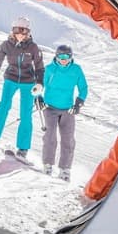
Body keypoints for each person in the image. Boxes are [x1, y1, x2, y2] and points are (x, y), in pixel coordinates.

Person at [0, 16, 45, 158]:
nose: (20, 34)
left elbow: (40, 67)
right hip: (10, 78)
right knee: (3, 106)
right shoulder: (6, 45)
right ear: (13, 30)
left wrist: (40, 83)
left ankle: (23, 149)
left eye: (24, 31)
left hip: (28, 82)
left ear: (28, 32)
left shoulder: (33, 48)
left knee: (25, 114)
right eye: (17, 30)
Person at [39, 44, 88, 181]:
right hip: (50, 108)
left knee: (68, 139)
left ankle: (65, 169)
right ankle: (48, 165)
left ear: (71, 57)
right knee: (50, 136)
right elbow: (38, 85)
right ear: (56, 56)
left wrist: (79, 102)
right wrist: (38, 98)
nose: (63, 59)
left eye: (66, 56)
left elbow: (83, 87)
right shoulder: (49, 69)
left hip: (68, 109)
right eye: (60, 56)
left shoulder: (76, 70)